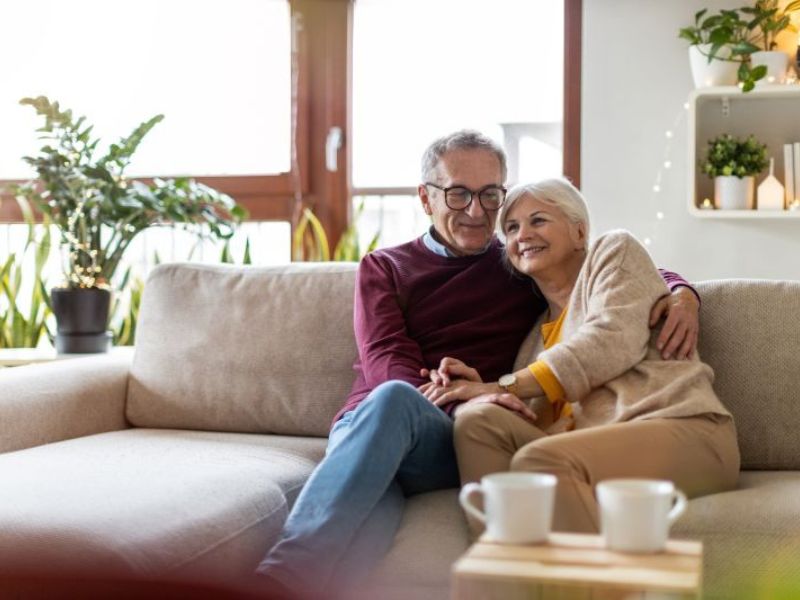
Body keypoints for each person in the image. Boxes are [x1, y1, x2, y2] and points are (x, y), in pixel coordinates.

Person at [255, 131, 701, 597]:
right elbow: (386, 359)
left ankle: (271, 583)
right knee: (366, 508)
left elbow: (604, 270)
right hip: (379, 422)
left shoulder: (516, 259)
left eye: (490, 194)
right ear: (426, 198)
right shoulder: (384, 267)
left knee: (399, 421)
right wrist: (464, 398)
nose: (475, 210)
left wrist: (681, 292)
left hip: (459, 437)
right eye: (458, 193)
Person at [423, 178, 739, 534]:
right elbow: (540, 418)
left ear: (579, 232)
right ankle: (506, 568)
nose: (522, 234)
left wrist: (506, 385)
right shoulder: (532, 343)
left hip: (685, 431)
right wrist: (488, 395)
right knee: (476, 422)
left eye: (538, 220)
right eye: (511, 228)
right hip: (592, 450)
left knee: (542, 460)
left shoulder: (614, 253)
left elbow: (608, 341)